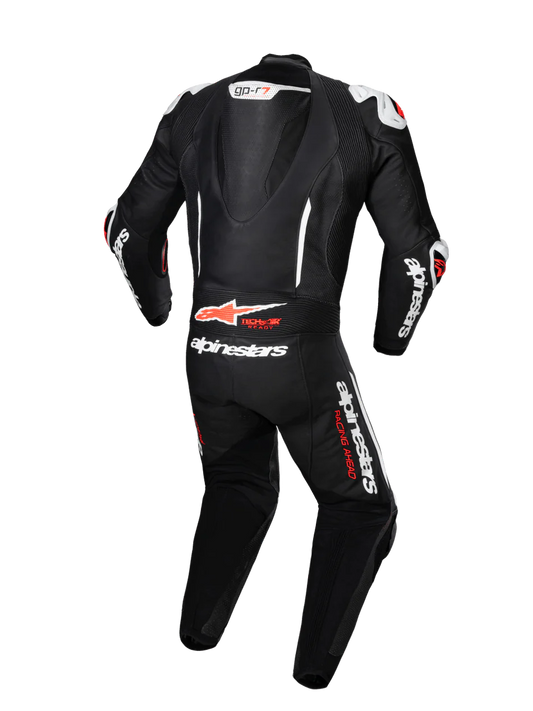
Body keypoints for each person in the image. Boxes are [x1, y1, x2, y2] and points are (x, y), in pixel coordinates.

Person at [100, 49, 452, 692]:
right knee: (362, 508)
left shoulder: (192, 104)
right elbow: (419, 254)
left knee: (237, 484)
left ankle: (196, 635)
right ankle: (313, 669)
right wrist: (393, 339)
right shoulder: (362, 108)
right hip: (301, 356)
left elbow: (124, 227)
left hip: (207, 351)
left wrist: (157, 309)